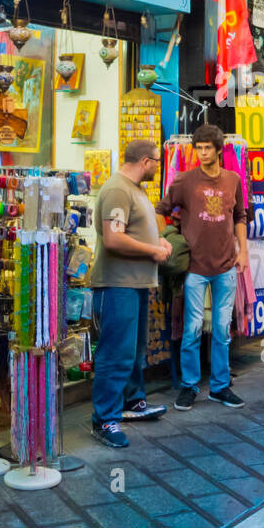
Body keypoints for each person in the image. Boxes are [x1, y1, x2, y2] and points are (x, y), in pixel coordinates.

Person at [157, 123, 248, 410]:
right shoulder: (185, 180)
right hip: (194, 267)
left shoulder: (233, 179)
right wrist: (168, 240)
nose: (202, 153)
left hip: (226, 266)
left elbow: (240, 216)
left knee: (222, 329)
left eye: (207, 148)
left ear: (220, 150)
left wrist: (243, 251)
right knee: (192, 329)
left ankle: (220, 387)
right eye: (199, 148)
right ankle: (189, 386)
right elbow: (161, 210)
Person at [88, 139, 171, 448]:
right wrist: (152, 249)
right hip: (117, 285)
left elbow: (135, 231)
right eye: (157, 162)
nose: (157, 167)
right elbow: (113, 238)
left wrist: (160, 242)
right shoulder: (118, 189)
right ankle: (104, 419)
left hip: (133, 285)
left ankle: (131, 402)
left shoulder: (134, 190)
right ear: (145, 162)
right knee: (115, 353)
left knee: (133, 351)